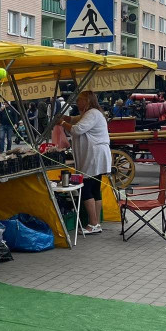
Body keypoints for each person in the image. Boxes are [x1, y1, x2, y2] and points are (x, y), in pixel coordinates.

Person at [57, 91, 111, 234]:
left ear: (87, 101)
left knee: (86, 188)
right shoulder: (91, 113)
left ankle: (92, 224)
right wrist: (65, 118)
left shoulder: (92, 113)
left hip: (94, 156)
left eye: (80, 100)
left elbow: (77, 129)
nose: (77, 102)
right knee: (95, 189)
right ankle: (96, 223)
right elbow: (75, 119)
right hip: (96, 156)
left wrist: (62, 123)